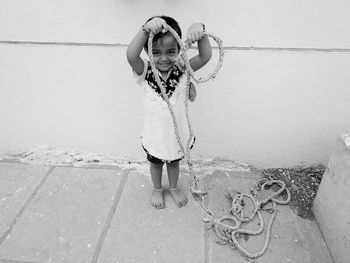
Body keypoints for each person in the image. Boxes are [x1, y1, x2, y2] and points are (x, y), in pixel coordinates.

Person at [126, 15, 212, 209]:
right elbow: (131, 55)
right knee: (156, 164)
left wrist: (201, 30)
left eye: (170, 51)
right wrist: (145, 29)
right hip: (155, 136)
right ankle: (157, 188)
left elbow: (205, 56)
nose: (163, 58)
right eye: (156, 52)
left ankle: (173, 187)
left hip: (176, 136)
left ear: (180, 49)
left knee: (174, 163)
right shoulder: (145, 72)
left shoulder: (183, 68)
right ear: (147, 50)